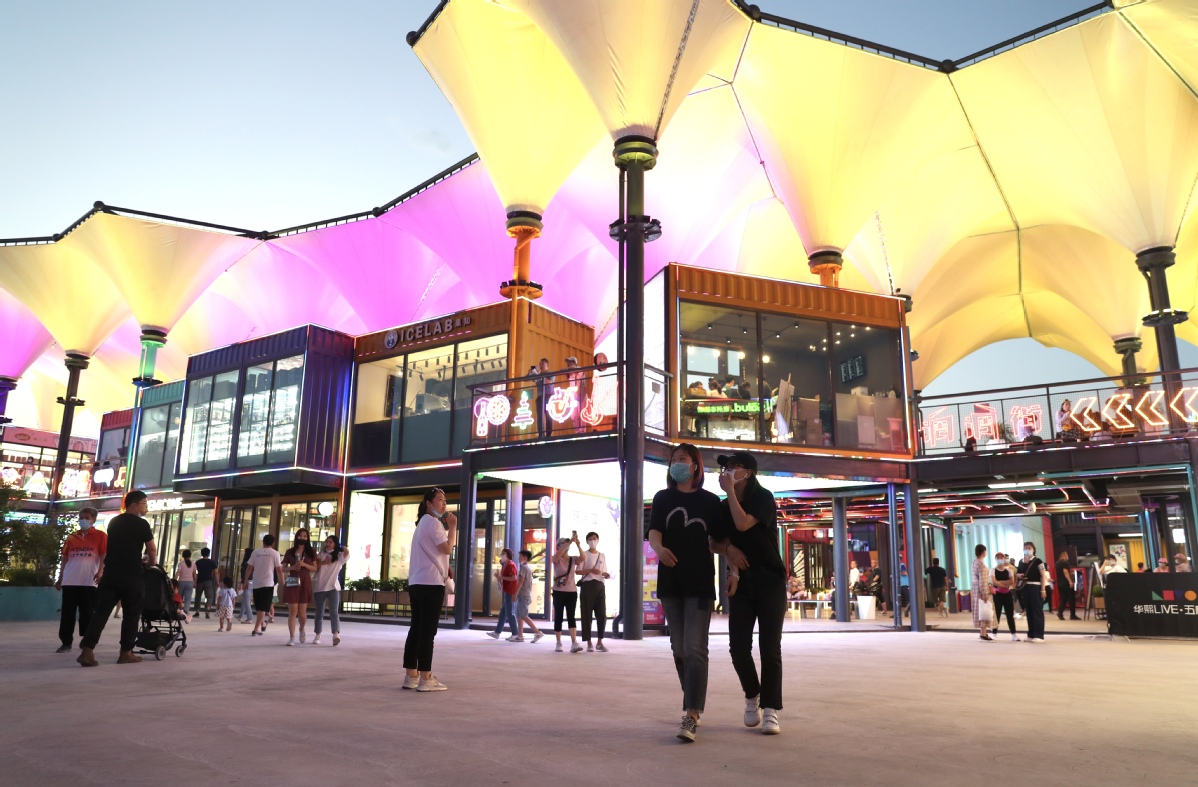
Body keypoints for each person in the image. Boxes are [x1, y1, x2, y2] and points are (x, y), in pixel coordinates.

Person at [648, 443, 735, 743]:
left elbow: (720, 542)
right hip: (670, 583)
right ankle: (692, 698)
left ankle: (692, 713)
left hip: (699, 584)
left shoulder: (710, 502)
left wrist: (732, 565)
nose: (677, 464)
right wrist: (658, 548)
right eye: (673, 460)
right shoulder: (662, 498)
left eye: (682, 459)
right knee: (678, 649)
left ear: (695, 466)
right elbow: (655, 530)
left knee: (695, 648)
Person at [712, 451, 785, 736]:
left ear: (748, 472)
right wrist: (729, 551)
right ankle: (751, 694)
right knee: (738, 647)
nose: (728, 470)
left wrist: (730, 492)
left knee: (770, 647)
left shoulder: (763, 497)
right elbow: (713, 542)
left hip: (770, 580)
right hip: (741, 582)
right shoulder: (722, 505)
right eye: (725, 467)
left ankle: (770, 711)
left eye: (734, 466)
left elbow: (742, 523)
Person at [77, 491, 157, 667]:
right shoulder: (142, 524)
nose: (146, 507)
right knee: (131, 614)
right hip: (132, 576)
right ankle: (125, 653)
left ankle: (87, 650)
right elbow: (151, 549)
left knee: (101, 613)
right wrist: (152, 564)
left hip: (111, 574)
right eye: (144, 503)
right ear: (134, 505)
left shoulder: (114, 522)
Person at [404, 488, 457, 691]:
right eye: (440, 500)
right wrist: (452, 527)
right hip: (430, 584)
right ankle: (426, 678)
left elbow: (435, 553)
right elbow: (447, 548)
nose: (444, 504)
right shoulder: (433, 522)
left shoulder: (422, 524)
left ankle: (411, 675)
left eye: (445, 500)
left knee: (416, 629)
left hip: (418, 582)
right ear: (429, 503)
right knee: (427, 631)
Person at [55, 507, 106, 653]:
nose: (84, 520)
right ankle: (66, 642)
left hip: (89, 581)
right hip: (70, 580)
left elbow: (103, 555)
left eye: (87, 517)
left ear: (93, 519)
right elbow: (65, 558)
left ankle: (86, 642)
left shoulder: (100, 536)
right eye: (82, 517)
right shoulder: (72, 537)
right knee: (67, 614)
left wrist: (100, 571)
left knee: (87, 614)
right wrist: (60, 577)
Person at [281, 528, 318, 646]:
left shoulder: (311, 551)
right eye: (300, 536)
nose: (302, 538)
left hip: (305, 581)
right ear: (296, 537)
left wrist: (304, 564)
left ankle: (302, 628)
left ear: (307, 538)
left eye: (305, 536)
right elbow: (282, 568)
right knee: (293, 611)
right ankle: (292, 637)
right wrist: (291, 568)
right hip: (292, 580)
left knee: (302, 613)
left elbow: (315, 568)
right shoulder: (289, 552)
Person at [550, 533, 585, 653]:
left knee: (571, 616)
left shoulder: (573, 559)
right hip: (558, 591)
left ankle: (574, 642)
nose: (566, 545)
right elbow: (555, 557)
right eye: (563, 543)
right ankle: (558, 642)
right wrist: (569, 543)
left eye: (567, 542)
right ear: (558, 546)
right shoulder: (556, 558)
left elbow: (583, 557)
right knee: (558, 616)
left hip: (571, 591)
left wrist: (578, 545)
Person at [313, 535, 350, 646]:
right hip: (320, 587)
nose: (328, 544)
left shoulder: (339, 556)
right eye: (327, 542)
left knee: (334, 612)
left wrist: (342, 547)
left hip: (334, 587)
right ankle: (318, 634)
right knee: (319, 612)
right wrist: (324, 563)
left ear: (335, 544)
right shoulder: (321, 554)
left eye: (331, 542)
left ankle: (335, 634)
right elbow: (315, 567)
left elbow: (347, 553)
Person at [577, 531, 611, 652]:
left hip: (600, 585)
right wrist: (590, 570)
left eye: (595, 538)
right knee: (586, 615)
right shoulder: (584, 555)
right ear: (587, 541)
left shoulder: (602, 555)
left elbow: (604, 571)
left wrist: (606, 574)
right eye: (590, 539)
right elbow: (578, 571)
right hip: (587, 586)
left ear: (598, 540)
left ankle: (600, 642)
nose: (593, 541)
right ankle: (589, 642)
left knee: (602, 615)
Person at [245, 534, 283, 637]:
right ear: (273, 542)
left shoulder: (256, 552)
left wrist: (245, 581)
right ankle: (256, 629)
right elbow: (279, 570)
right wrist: (283, 582)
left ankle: (262, 623)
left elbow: (249, 568)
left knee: (259, 607)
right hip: (268, 583)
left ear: (263, 541)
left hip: (256, 583)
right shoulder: (275, 553)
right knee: (263, 607)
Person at [1016, 542, 1049, 642]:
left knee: (1037, 610)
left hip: (1036, 587)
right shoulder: (1021, 561)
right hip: (1025, 587)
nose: (1027, 549)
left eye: (1029, 548)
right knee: (1029, 611)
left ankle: (1039, 635)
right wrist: (1019, 576)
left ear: (1033, 549)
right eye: (1025, 548)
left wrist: (1043, 589)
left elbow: (1043, 575)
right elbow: (1017, 573)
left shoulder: (1038, 561)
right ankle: (1031, 634)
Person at [487, 548, 520, 641]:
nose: (502, 555)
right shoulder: (504, 565)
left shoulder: (510, 565)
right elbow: (503, 579)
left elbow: (514, 578)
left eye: (504, 553)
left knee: (510, 613)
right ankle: (497, 632)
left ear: (508, 555)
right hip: (507, 590)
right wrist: (498, 577)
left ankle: (515, 634)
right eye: (502, 553)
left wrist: (501, 577)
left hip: (511, 591)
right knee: (503, 613)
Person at [514, 549, 543, 644]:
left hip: (523, 594)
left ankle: (538, 632)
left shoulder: (524, 568)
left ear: (525, 558)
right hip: (525, 594)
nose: (518, 558)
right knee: (519, 615)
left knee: (523, 615)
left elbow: (521, 582)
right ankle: (520, 635)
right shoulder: (528, 568)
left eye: (520, 556)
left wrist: (515, 593)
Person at [991, 552, 1019, 641]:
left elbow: (1011, 582)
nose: (999, 559)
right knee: (997, 615)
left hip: (1007, 594)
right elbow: (994, 582)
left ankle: (1014, 634)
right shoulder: (993, 570)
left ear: (1004, 559)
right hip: (997, 595)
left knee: (1010, 615)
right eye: (998, 557)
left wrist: (1000, 583)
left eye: (1001, 557)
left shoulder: (1009, 570)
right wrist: (1004, 583)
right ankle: (994, 633)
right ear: (995, 559)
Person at [970, 545, 993, 642]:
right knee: (984, 611)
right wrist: (985, 592)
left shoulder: (974, 562)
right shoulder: (981, 564)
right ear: (984, 552)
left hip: (975, 590)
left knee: (981, 611)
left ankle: (982, 633)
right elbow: (983, 580)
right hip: (981, 590)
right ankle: (983, 634)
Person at [193, 547, 218, 619]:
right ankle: (208, 609)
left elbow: (194, 572)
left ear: (201, 553)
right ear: (209, 554)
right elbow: (216, 572)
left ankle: (197, 611)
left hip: (199, 581)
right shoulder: (212, 562)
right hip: (209, 581)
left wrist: (194, 581)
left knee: (198, 596)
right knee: (209, 596)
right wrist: (217, 582)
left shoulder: (198, 562)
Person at [1055, 551, 1079, 620]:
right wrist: (1070, 581)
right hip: (1066, 583)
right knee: (1071, 599)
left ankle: (1060, 613)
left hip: (1060, 584)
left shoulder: (1057, 563)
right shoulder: (1064, 562)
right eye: (1067, 555)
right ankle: (1072, 615)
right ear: (1064, 555)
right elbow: (1065, 572)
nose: (1067, 557)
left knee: (1063, 599)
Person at [534, 357, 553, 439]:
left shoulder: (551, 374)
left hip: (548, 396)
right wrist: (532, 373)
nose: (541, 366)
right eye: (540, 364)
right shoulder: (538, 375)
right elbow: (528, 378)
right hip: (540, 396)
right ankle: (541, 434)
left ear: (547, 365)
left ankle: (549, 435)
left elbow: (549, 382)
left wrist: (541, 376)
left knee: (549, 416)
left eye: (543, 364)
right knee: (540, 416)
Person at [174, 549, 196, 615]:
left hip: (181, 581)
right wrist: (195, 582)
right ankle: (186, 610)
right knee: (188, 597)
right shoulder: (193, 564)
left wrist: (175, 580)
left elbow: (178, 572)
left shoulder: (181, 564)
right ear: (190, 556)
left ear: (183, 556)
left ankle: (179, 609)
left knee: (179, 596)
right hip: (190, 582)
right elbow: (194, 574)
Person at [237, 547, 255, 624]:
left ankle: (249, 618)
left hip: (248, 582)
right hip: (253, 582)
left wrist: (242, 583)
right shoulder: (254, 562)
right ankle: (240, 616)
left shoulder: (247, 563)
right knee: (244, 599)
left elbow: (244, 575)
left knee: (247, 601)